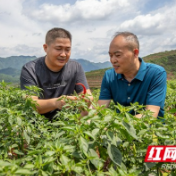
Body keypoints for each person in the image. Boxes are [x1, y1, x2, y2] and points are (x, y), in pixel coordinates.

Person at [20, 27, 93, 120]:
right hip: (38, 124)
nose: (63, 54)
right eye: (58, 49)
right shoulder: (30, 69)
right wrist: (56, 103)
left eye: (67, 49)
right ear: (45, 48)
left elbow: (87, 95)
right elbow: (31, 104)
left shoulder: (75, 67)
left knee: (89, 111)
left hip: (67, 122)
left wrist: (86, 99)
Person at [98, 32, 167, 118]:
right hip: (120, 129)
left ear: (135, 53)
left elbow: (151, 114)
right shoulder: (109, 76)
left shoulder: (156, 73)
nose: (113, 60)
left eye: (117, 55)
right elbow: (100, 110)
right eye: (111, 55)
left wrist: (116, 125)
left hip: (151, 130)